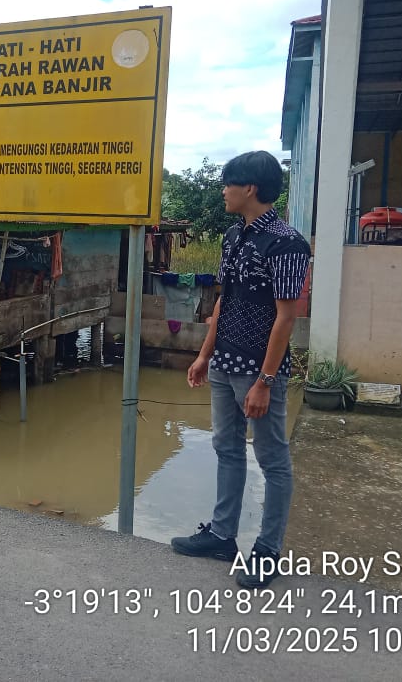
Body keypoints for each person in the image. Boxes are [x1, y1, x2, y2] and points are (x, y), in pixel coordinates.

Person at [170, 151, 310, 588]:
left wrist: (266, 382)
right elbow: (223, 302)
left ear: (250, 188)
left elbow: (286, 317)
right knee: (226, 448)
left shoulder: (288, 243)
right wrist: (203, 354)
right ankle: (222, 535)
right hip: (223, 361)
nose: (223, 190)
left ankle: (268, 550)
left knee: (272, 459)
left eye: (229, 183)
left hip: (259, 372)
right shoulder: (234, 237)